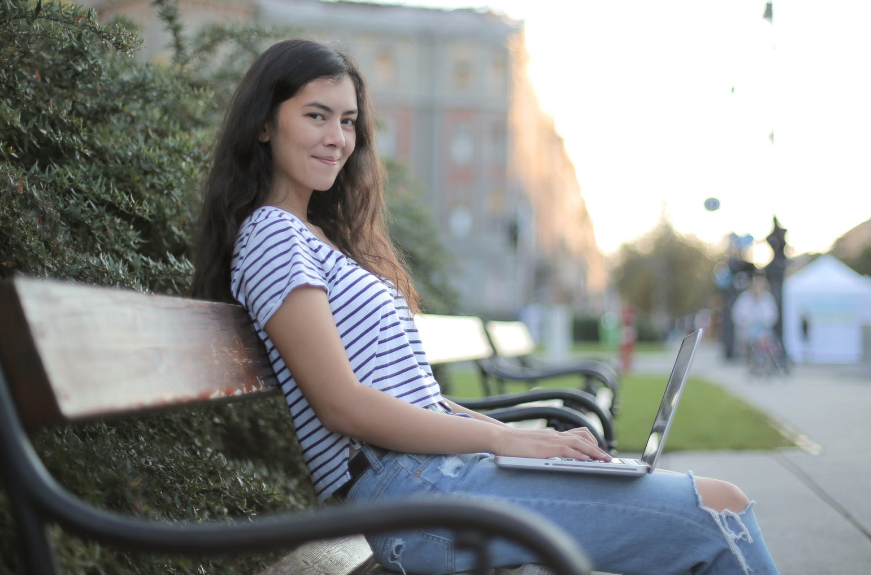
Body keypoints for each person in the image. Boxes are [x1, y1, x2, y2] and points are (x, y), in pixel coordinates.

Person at [192, 39, 780, 575]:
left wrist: (519, 438)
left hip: (432, 481)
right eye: (315, 115)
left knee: (700, 507)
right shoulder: (271, 234)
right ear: (265, 124)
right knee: (716, 510)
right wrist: (509, 441)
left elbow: (411, 395)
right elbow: (342, 405)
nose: (337, 138)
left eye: (347, 121)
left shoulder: (315, 237)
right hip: (417, 498)